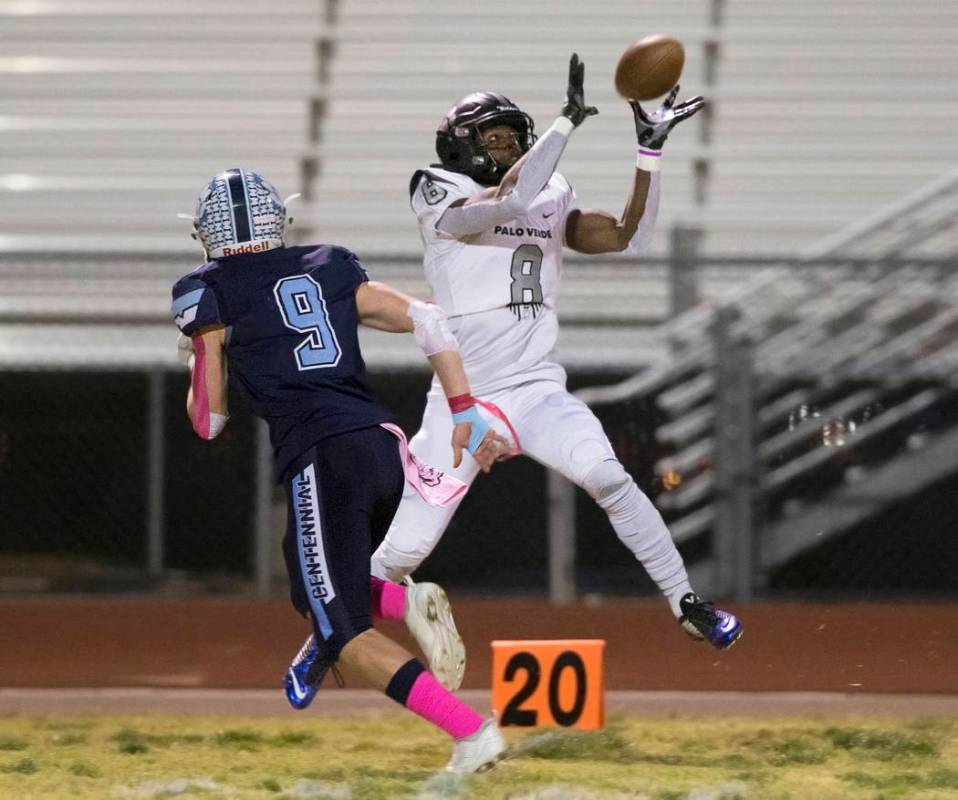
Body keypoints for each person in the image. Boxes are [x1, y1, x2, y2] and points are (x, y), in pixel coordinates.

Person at [363, 53, 743, 671]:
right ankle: (325, 637)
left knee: (608, 476)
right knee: (400, 555)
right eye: (495, 137)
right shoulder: (436, 187)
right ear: (460, 146)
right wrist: (566, 122)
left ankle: (688, 603)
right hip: (465, 399)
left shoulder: (550, 188)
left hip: (537, 387)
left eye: (517, 136)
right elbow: (506, 205)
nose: (510, 146)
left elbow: (628, 237)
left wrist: (649, 154)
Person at [170, 168, 508, 773]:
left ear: (205, 235)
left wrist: (200, 353)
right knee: (310, 587)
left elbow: (208, 422)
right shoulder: (327, 262)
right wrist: (464, 408)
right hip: (380, 445)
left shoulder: (207, 290)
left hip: (321, 457)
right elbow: (429, 317)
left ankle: (472, 731)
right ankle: (405, 605)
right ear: (279, 222)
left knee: (345, 632)